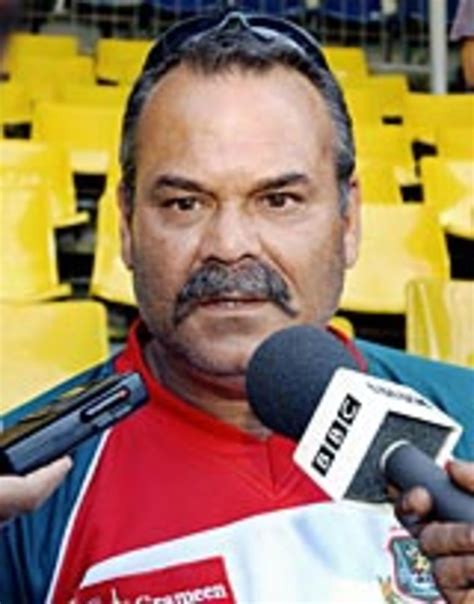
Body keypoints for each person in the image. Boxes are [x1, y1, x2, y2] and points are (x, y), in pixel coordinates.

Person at [1, 11, 473, 603]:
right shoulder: (21, 493)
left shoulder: (467, 416)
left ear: (349, 221)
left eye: (278, 199)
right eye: (184, 204)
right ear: (124, 224)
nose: (229, 246)